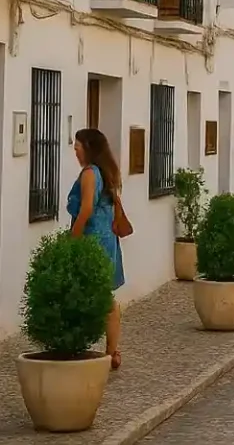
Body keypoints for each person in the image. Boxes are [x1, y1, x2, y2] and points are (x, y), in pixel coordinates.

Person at [69, 128, 127, 369]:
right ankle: (112, 350)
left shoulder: (90, 173)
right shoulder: (107, 172)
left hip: (92, 239)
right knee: (104, 295)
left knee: (87, 292)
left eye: (78, 146)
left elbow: (85, 210)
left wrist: (72, 240)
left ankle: (79, 343)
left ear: (89, 148)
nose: (75, 150)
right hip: (107, 239)